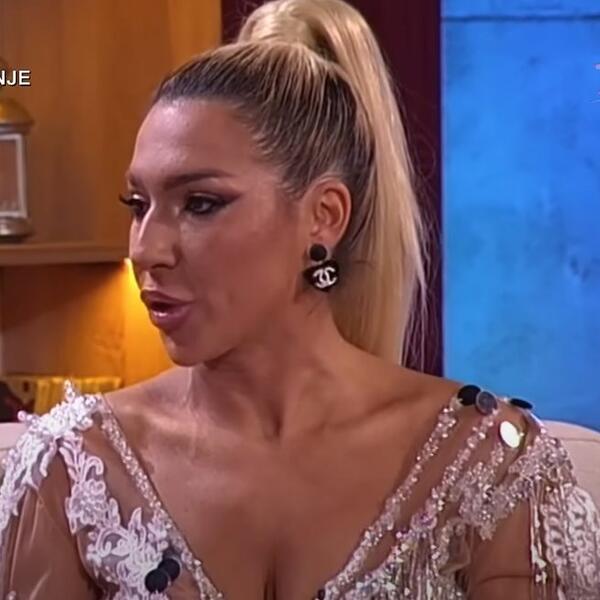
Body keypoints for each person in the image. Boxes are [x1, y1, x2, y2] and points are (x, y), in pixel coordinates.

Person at [1, 0, 598, 598]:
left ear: (324, 216)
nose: (146, 249)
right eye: (138, 206)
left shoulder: (491, 468)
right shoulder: (73, 469)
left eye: (200, 203)